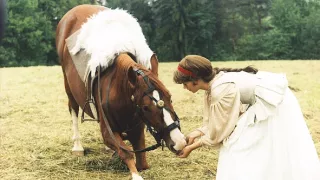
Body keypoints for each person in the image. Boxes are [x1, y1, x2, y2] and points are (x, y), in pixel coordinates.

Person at [174, 55, 320, 180]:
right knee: (246, 146)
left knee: (242, 147)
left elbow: (220, 130)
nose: (184, 87)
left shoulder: (220, 89)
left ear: (196, 79)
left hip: (275, 104)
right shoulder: (214, 85)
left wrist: (192, 147)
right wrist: (196, 133)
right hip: (262, 103)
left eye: (184, 83)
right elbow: (218, 119)